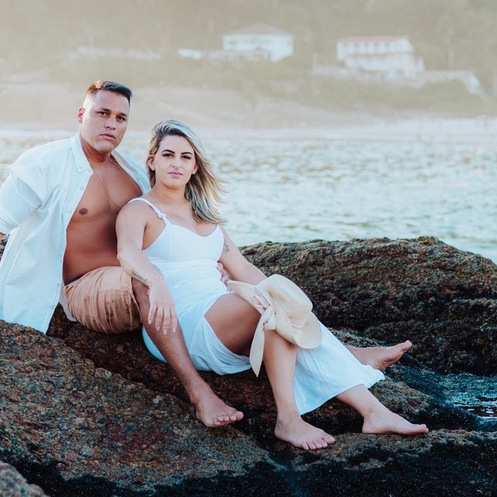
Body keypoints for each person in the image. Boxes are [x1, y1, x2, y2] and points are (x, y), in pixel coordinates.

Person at [0, 80, 246, 428]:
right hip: (87, 287)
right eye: (102, 113)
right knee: (145, 279)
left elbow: (167, 227)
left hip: (140, 279)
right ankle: (199, 394)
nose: (111, 124)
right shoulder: (44, 164)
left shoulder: (134, 174)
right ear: (82, 114)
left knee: (173, 282)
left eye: (121, 118)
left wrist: (209, 266)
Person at [116, 119, 427, 450]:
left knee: (280, 305)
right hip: (182, 322)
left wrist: (284, 300)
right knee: (272, 305)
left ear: (195, 167)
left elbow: (242, 268)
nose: (176, 163)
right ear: (152, 161)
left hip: (223, 318)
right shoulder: (140, 210)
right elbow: (127, 252)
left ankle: (374, 412)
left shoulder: (204, 216)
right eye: (168, 155)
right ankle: (292, 416)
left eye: (185, 157)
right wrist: (156, 281)